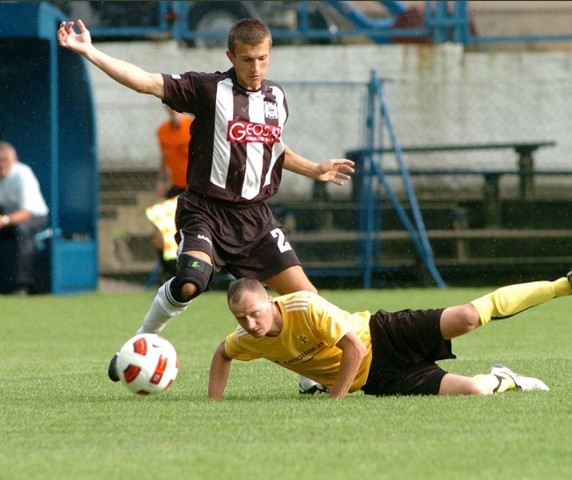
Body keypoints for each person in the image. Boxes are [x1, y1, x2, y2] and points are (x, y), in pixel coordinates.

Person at [57, 18, 355, 386]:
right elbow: (146, 82)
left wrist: (314, 169)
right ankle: (137, 342)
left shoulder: (276, 97)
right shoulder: (208, 89)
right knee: (189, 282)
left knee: (309, 300)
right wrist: (89, 51)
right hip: (206, 211)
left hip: (256, 218)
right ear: (231, 56)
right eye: (247, 60)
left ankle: (310, 377)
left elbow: (272, 147)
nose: (256, 68)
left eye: (263, 58)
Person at [208, 258, 572, 400]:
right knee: (475, 390)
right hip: (384, 379)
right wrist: (214, 402)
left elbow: (353, 349)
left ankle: (565, 285)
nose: (249, 324)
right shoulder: (247, 339)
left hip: (383, 335)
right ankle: (506, 378)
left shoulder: (303, 305)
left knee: (467, 317)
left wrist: (336, 398)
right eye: (241, 319)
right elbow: (221, 354)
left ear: (269, 300)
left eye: (254, 313)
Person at [0, 141, 50, 295]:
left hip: (35, 217)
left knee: (22, 230)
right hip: (8, 218)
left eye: (4, 160)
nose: (1, 164)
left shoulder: (23, 173)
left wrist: (4, 221)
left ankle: (23, 285)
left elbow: (26, 213)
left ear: (14, 159)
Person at [150, 106, 192, 280]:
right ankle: (170, 276)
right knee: (160, 237)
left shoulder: (194, 126)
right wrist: (162, 181)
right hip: (175, 189)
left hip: (196, 190)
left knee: (192, 236)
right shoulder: (162, 131)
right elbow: (165, 159)